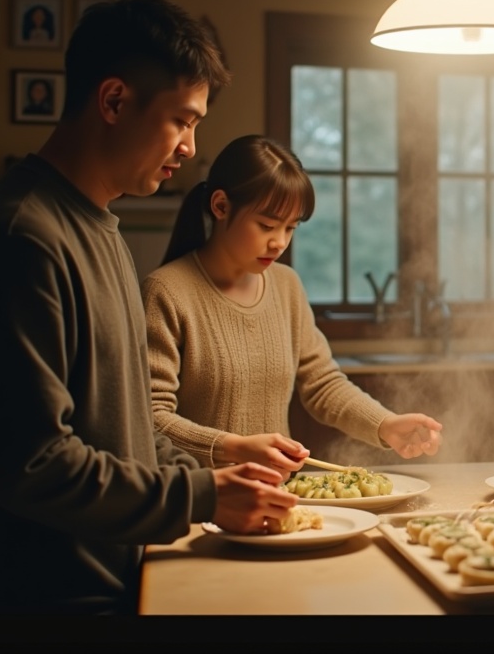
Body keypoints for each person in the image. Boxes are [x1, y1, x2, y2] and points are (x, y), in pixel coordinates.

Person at [0, 0, 297, 615]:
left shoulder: (101, 230)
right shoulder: (20, 240)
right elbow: (37, 466)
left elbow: (126, 431)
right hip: (54, 601)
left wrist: (223, 482)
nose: (189, 148)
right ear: (115, 101)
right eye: (182, 120)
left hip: (127, 574)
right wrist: (202, 495)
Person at [142, 134, 443, 472]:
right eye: (267, 225)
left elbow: (323, 384)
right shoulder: (166, 292)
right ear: (221, 206)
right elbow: (152, 418)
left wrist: (385, 425)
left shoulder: (286, 286)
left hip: (278, 495)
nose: (279, 242)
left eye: (290, 228)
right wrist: (235, 448)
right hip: (203, 498)